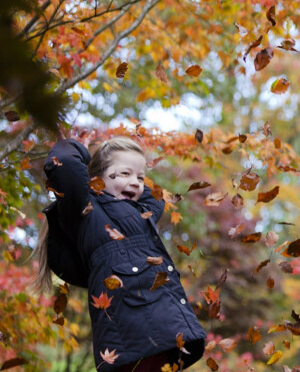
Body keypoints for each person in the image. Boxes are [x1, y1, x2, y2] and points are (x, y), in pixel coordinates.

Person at [32, 133, 206, 371]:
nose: (136, 182)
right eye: (125, 173)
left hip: (164, 337)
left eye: (140, 177)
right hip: (131, 341)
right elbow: (66, 165)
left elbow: (155, 198)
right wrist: (84, 152)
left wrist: (128, 173)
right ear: (96, 180)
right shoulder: (86, 211)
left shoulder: (141, 215)